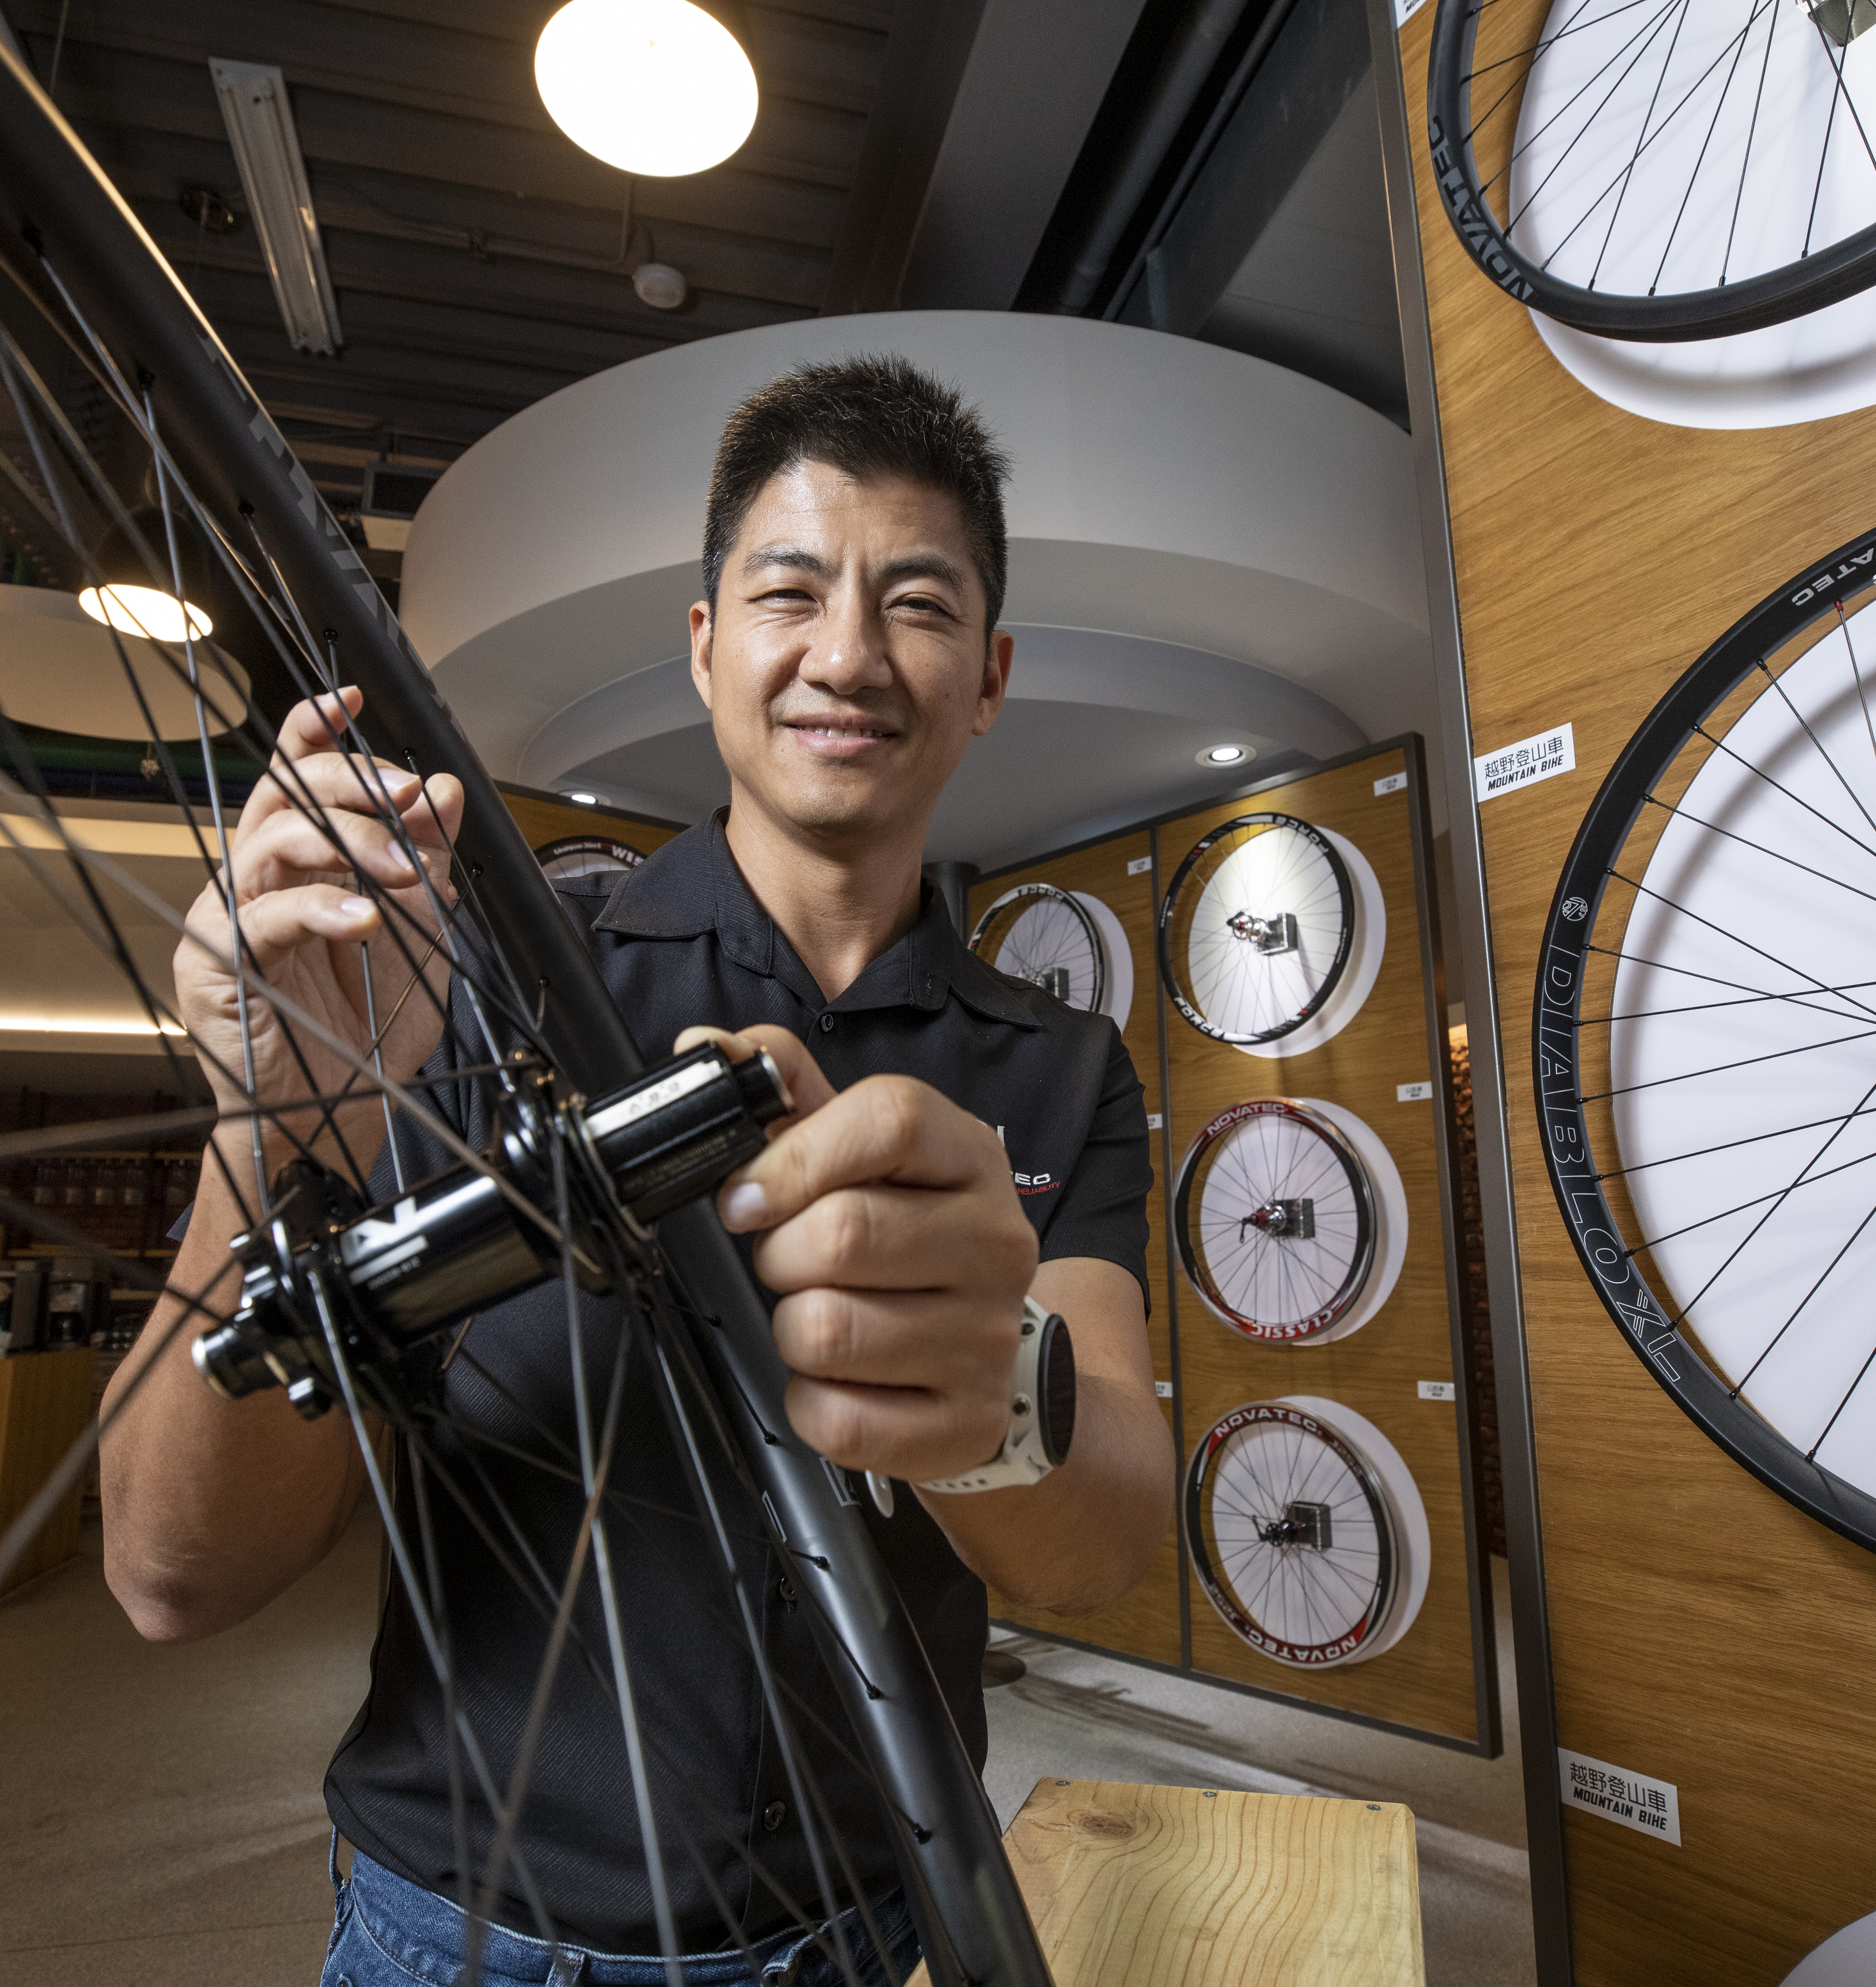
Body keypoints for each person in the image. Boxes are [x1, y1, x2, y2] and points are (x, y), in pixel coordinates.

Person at [102, 355, 1175, 1986]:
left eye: (920, 605)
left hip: (870, 1929)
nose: (847, 655)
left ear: (991, 676)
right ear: (703, 646)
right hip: (456, 1933)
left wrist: (979, 1403)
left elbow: (1106, 1548)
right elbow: (173, 1574)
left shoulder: (1066, 1069)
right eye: (790, 592)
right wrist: (274, 1127)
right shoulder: (479, 993)